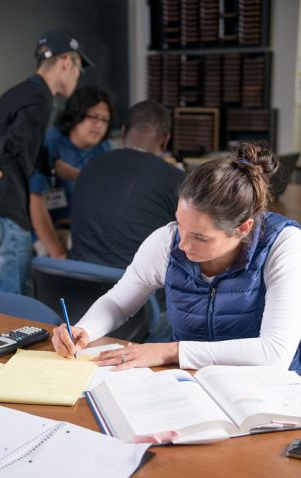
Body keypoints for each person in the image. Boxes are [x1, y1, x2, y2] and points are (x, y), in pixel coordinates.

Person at [52, 142, 301, 375]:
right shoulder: (166, 240)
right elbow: (118, 303)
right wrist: (84, 329)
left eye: (201, 238)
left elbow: (274, 353)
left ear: (243, 229)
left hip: (268, 394)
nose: (182, 244)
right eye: (180, 224)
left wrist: (172, 350)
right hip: (190, 382)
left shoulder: (284, 245)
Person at [0, 29, 92, 294]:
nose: (79, 76)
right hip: (3, 214)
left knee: (9, 296)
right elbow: (5, 150)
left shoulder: (21, 93)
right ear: (66, 61)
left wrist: (86, 176)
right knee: (15, 304)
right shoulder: (39, 100)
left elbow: (40, 158)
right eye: (79, 68)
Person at [68, 99, 186, 268]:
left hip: (76, 283)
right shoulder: (175, 179)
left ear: (123, 132)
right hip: (136, 290)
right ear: (165, 140)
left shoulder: (91, 165)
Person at [29, 85, 114, 257]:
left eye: (105, 120)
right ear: (76, 116)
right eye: (94, 117)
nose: (99, 125)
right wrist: (58, 254)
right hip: (47, 231)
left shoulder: (103, 147)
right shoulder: (50, 145)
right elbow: (35, 204)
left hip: (84, 229)